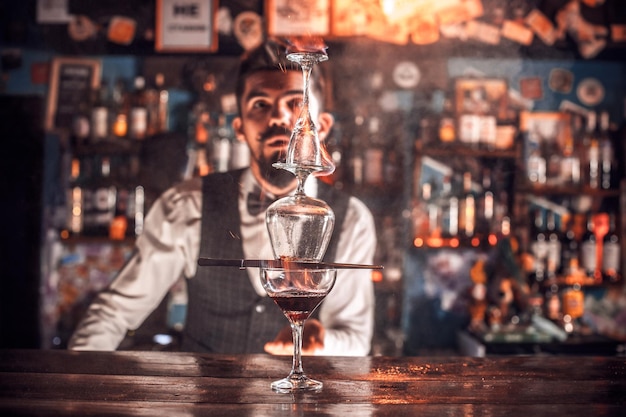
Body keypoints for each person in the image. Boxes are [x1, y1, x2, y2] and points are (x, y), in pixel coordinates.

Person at [68, 40, 377, 356]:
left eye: (296, 103)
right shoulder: (188, 205)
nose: (279, 118)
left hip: (302, 402)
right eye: (260, 104)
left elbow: (355, 340)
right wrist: (73, 383)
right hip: (207, 399)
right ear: (239, 128)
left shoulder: (352, 218)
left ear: (322, 126)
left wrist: (323, 340)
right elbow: (115, 312)